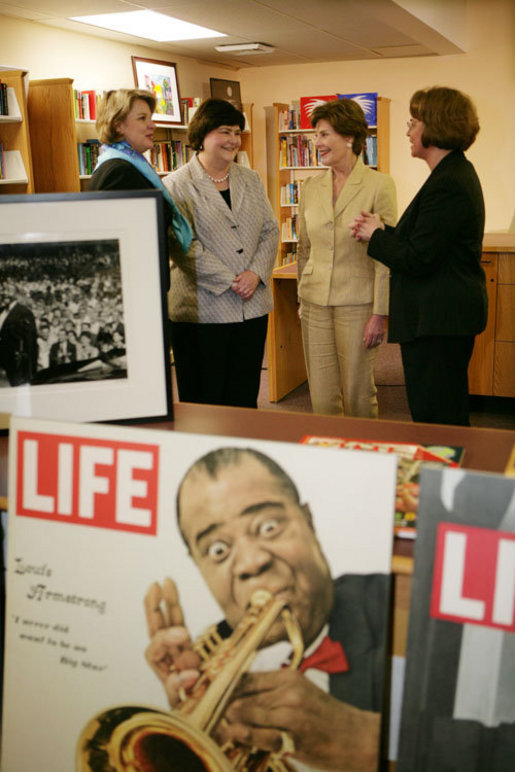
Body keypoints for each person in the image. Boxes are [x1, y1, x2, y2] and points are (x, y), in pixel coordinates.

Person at [145, 447, 388, 771]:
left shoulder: (393, 607)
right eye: (218, 549)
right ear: (198, 566)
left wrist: (364, 743)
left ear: (309, 522)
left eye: (268, 526)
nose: (251, 562)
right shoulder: (208, 654)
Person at [350, 87, 487, 426]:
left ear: (434, 126)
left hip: (438, 321)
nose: (408, 132)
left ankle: (443, 477)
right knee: (439, 412)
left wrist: (376, 236)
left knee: (438, 417)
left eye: (413, 122)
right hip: (439, 319)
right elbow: (427, 240)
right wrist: (386, 230)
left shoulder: (449, 182)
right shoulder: (449, 174)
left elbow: (418, 258)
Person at [163, 98, 279, 408]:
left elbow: (270, 229)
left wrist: (254, 274)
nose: (233, 140)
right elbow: (183, 245)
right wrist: (232, 280)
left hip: (250, 308)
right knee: (205, 402)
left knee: (243, 397)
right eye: (224, 131)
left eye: (237, 132)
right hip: (202, 312)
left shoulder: (250, 178)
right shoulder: (175, 185)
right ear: (202, 134)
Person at [297, 98, 397, 418]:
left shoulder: (379, 185)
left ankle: (365, 461)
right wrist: (302, 296)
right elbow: (304, 248)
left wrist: (380, 312)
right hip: (314, 303)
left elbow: (387, 254)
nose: (318, 143)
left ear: (350, 137)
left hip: (358, 304)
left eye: (325, 134)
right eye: (317, 136)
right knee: (322, 398)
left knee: (358, 395)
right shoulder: (310, 186)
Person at [88, 88, 192, 257]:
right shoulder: (118, 172)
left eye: (151, 118)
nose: (153, 125)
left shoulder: (130, 165)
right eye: (142, 118)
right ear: (118, 125)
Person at [0, 283, 38, 386]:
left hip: (16, 364)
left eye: (8, 291)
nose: (4, 293)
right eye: (3, 290)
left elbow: (30, 343)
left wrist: (29, 371)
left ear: (16, 294)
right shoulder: (2, 311)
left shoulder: (24, 312)